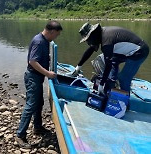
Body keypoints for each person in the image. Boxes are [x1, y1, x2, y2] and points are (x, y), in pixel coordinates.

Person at [16, 20, 63, 149]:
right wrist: (47, 73)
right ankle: (20, 135)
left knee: (39, 102)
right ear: (51, 32)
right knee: (31, 104)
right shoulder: (39, 41)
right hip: (33, 77)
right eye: (56, 35)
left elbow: (40, 58)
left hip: (37, 77)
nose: (56, 37)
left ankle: (37, 127)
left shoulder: (44, 40)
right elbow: (32, 61)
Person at [72, 22, 149, 95]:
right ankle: (112, 84)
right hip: (127, 51)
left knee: (124, 78)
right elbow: (90, 51)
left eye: (88, 39)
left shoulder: (106, 41)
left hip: (139, 51)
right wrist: (78, 67)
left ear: (93, 34)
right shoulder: (100, 34)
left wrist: (101, 84)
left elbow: (108, 65)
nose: (88, 42)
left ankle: (125, 102)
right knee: (102, 60)